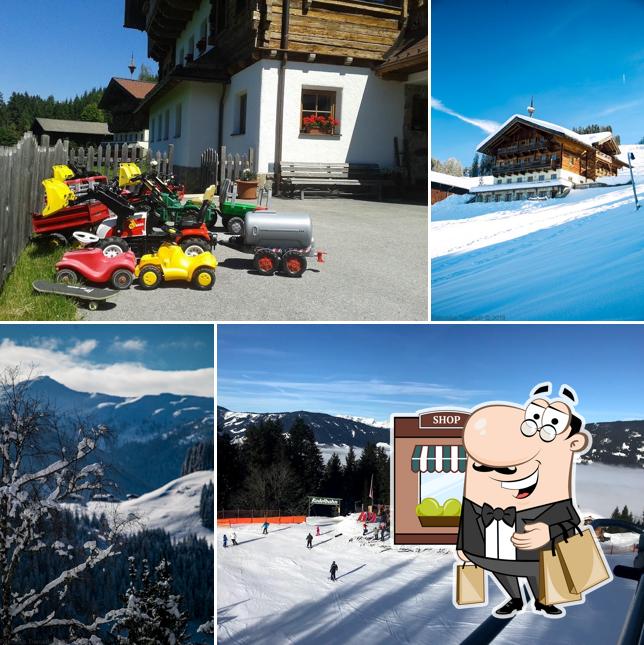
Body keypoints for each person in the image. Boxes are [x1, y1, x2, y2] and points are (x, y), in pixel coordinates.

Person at [457, 382, 591, 619]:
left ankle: (542, 600)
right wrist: (462, 546)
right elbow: (468, 517)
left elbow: (569, 519)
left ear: (574, 443)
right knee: (501, 570)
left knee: (536, 570)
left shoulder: (553, 502)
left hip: (535, 555)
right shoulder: (477, 502)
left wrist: (549, 532)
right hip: (491, 551)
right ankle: (515, 598)